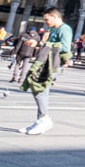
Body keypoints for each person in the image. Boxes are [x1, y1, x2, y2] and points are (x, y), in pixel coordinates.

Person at [18, 7, 73, 135]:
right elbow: (49, 46)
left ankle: (44, 119)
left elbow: (65, 47)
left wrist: (43, 45)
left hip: (53, 64)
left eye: (47, 19)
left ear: (55, 17)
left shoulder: (65, 29)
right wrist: (37, 44)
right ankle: (40, 121)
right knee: (42, 91)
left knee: (38, 88)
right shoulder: (54, 29)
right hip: (46, 62)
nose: (46, 22)